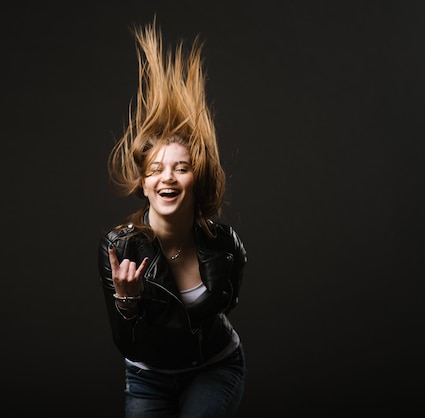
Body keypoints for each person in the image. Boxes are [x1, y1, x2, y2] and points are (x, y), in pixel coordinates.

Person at [97, 20, 248, 418]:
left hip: (215, 367)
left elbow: (225, 306)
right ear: (143, 184)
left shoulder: (224, 244)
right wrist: (127, 302)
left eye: (181, 168)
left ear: (196, 181)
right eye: (155, 170)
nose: (167, 177)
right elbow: (129, 344)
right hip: (148, 377)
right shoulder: (119, 247)